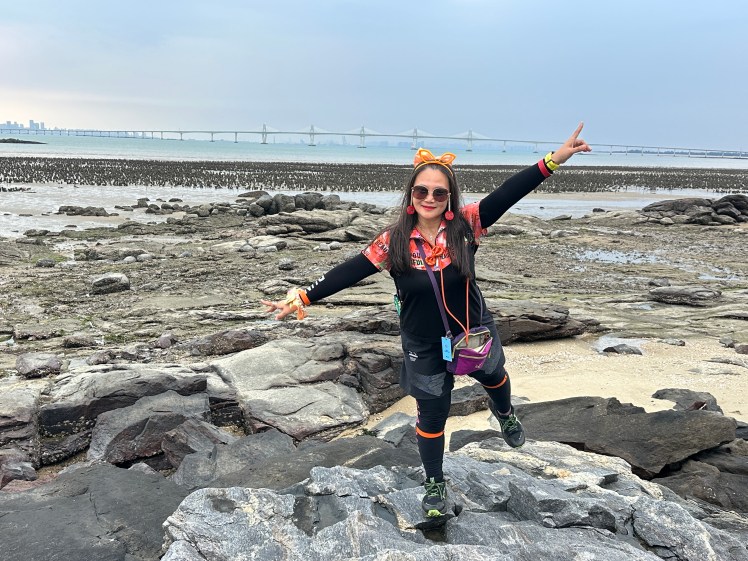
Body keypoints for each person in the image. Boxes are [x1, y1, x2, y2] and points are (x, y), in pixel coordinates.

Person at [262, 123, 591, 517]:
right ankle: (434, 482)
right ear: (411, 195)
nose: (430, 198)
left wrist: (555, 159)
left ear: (450, 197)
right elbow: (350, 270)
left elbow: (509, 192)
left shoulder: (467, 225)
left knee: (493, 375)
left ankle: (505, 413)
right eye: (422, 191)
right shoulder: (393, 241)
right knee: (432, 412)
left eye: (439, 192)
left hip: (472, 328)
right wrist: (303, 296)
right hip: (423, 343)